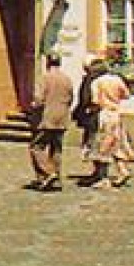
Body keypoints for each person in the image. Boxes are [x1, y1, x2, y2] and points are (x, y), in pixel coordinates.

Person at [26, 52, 72, 191]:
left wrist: (33, 107)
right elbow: (71, 98)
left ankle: (48, 172)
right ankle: (55, 179)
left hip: (47, 117)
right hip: (62, 117)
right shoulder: (66, 79)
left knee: (36, 147)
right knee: (56, 148)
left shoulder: (44, 78)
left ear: (47, 62)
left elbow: (39, 99)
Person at [89, 65, 134, 188]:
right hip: (117, 113)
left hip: (105, 114)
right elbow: (127, 95)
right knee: (116, 143)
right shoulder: (117, 80)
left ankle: (103, 178)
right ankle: (123, 170)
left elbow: (95, 101)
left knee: (103, 146)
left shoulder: (97, 82)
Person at [73, 56, 106, 181]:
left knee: (93, 143)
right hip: (108, 114)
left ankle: (100, 174)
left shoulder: (91, 78)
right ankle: (99, 172)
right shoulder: (108, 77)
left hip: (93, 114)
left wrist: (79, 112)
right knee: (102, 143)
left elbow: (86, 97)